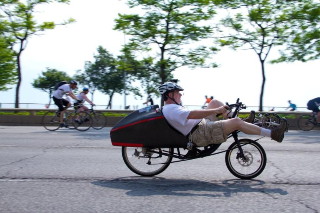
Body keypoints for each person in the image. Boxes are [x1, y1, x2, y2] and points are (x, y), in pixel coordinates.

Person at [158, 82, 288, 148]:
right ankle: (273, 134)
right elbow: (192, 114)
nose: (180, 94)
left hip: (199, 126)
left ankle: (237, 120)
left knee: (214, 102)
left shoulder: (171, 107)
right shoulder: (171, 109)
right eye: (178, 92)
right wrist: (216, 111)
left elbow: (193, 115)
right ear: (170, 95)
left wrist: (216, 109)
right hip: (199, 133)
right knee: (235, 123)